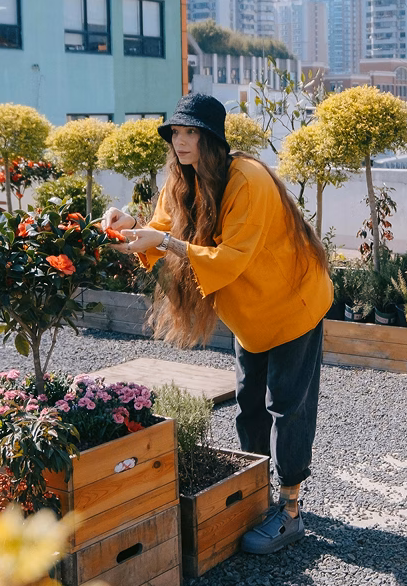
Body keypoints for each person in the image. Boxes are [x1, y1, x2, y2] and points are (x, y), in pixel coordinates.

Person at [103, 93, 331, 555]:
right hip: (248, 315)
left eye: (190, 133)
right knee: (248, 406)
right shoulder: (180, 180)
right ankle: (255, 491)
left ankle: (290, 510)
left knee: (288, 407)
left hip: (292, 305)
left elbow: (230, 260)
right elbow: (162, 226)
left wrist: (164, 240)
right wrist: (130, 225)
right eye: (175, 134)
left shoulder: (248, 179)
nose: (180, 143)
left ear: (211, 139)